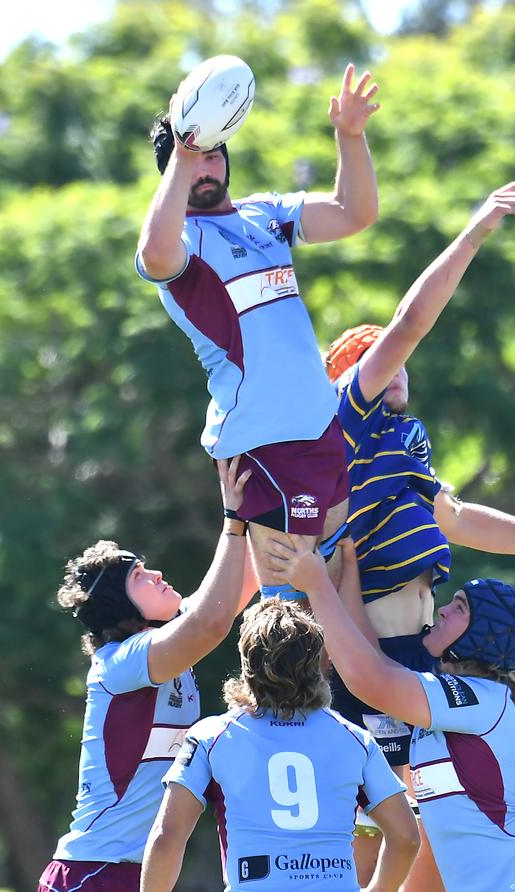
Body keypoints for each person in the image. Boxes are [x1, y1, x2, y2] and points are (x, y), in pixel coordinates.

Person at [325, 177, 515, 892]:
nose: (393, 366)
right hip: (367, 648)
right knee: (381, 830)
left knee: (433, 824)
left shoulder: (405, 441)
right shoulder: (350, 419)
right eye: (373, 361)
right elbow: (409, 323)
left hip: (416, 648)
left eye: (393, 365)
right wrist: (472, 232)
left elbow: (461, 516)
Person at [269, 537, 515, 892]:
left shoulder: (480, 698)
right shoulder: (442, 701)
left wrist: (317, 586)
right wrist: (348, 570)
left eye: (457, 608)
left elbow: (370, 679)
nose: (441, 612)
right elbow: (370, 655)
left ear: (480, 634)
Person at [136, 64, 381, 598]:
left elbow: (353, 212)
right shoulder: (182, 244)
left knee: (335, 600)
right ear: (172, 171)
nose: (204, 165)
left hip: (321, 429)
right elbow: (154, 254)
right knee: (287, 615)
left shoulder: (265, 215)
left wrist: (350, 137)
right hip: (266, 445)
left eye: (212, 151)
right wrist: (181, 150)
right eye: (191, 156)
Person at [133, 599, 420, 892]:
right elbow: (406, 836)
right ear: (321, 663)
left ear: (246, 663)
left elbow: (168, 834)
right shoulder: (356, 738)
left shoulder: (212, 735)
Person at [38, 459, 250, 892]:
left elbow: (233, 590)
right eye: (140, 577)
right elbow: (211, 620)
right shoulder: (121, 659)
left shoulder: (161, 651)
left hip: (133, 879)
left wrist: (276, 510)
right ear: (123, 608)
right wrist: (232, 521)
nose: (156, 575)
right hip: (92, 881)